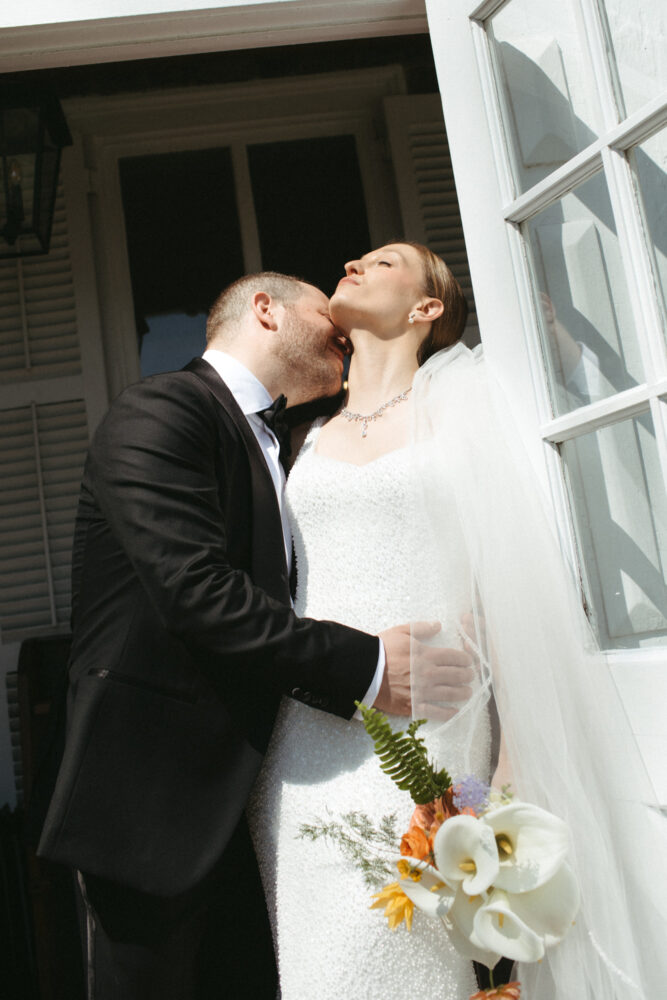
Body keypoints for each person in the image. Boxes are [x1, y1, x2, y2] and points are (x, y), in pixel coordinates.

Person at [37, 271, 474, 1000]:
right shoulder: (161, 409)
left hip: (259, 793)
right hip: (155, 798)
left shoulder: (298, 440)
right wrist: (368, 664)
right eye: (320, 312)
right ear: (265, 312)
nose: (338, 324)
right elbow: (197, 594)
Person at [248, 244, 667, 1000]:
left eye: (385, 261)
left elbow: (510, 584)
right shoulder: (297, 437)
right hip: (304, 742)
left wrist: (503, 780)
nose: (355, 262)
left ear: (426, 307)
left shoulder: (467, 409)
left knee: (400, 949)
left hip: (431, 730)